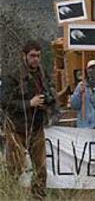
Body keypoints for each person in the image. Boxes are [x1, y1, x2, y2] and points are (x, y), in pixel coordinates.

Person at [1, 40, 59, 200]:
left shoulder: (42, 74)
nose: (36, 59)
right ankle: (12, 196)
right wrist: (29, 103)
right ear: (24, 56)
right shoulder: (13, 75)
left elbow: (50, 94)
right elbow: (4, 102)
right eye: (32, 56)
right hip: (16, 128)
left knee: (41, 169)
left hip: (36, 126)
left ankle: (38, 197)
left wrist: (48, 103)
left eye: (38, 56)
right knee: (15, 168)